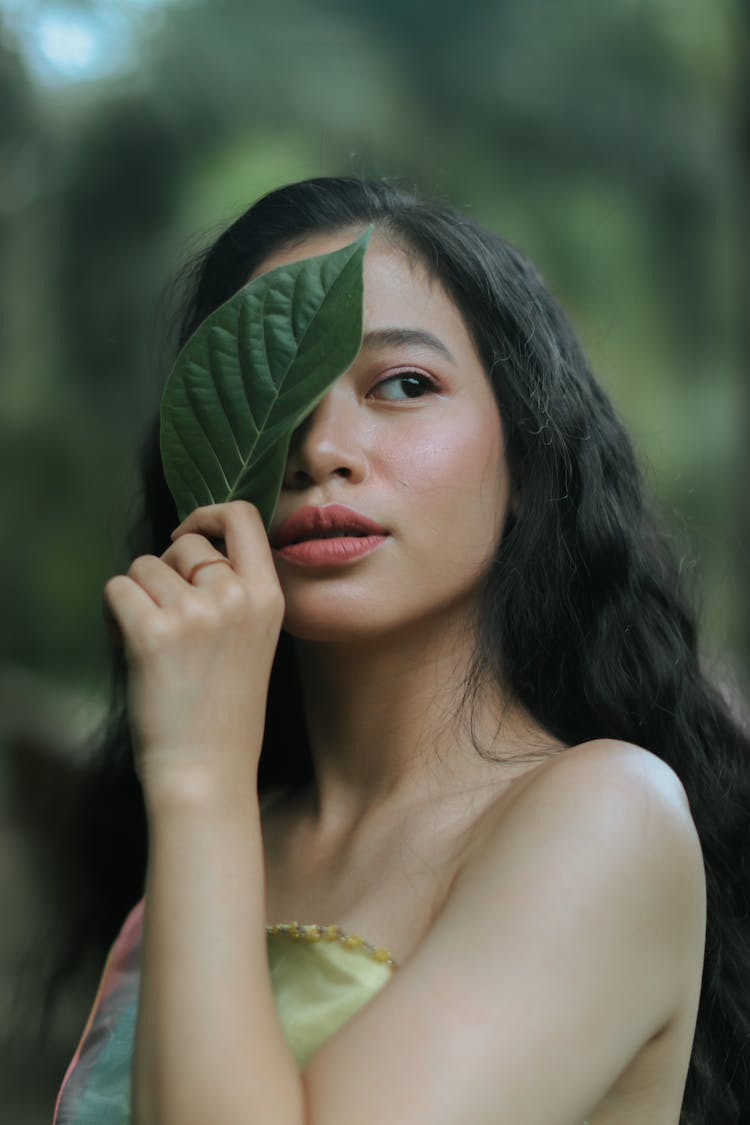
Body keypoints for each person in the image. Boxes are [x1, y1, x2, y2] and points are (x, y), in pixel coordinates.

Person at [44, 177, 749, 1124]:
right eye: (273, 392)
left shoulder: (605, 817)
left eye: (404, 384)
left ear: (532, 471)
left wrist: (201, 781)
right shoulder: (216, 834)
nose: (319, 448)